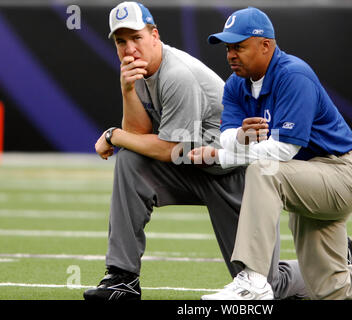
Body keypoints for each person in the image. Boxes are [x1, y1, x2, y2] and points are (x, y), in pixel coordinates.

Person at [189, 7, 352, 300]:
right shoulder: (236, 84)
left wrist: (222, 156)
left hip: (341, 173)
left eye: (239, 46)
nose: (231, 55)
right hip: (304, 178)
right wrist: (238, 137)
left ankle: (254, 279)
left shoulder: (293, 74)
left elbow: (285, 150)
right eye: (228, 48)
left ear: (266, 45)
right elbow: (227, 136)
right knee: (330, 289)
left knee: (263, 170)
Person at [83, 1, 314, 301]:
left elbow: (169, 149)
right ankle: (122, 278)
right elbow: (139, 136)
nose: (129, 49)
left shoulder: (177, 74)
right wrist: (127, 91)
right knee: (130, 161)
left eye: (136, 38)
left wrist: (113, 135)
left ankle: (328, 265)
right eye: (121, 41)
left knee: (266, 285)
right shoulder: (138, 71)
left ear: (155, 35)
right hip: (191, 165)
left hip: (231, 173)